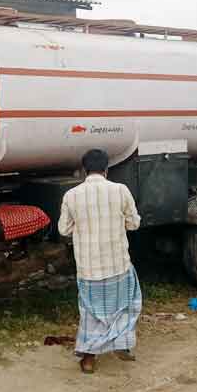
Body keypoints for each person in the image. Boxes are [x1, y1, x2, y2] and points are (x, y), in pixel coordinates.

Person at [58, 148, 142, 374]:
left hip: (89, 268)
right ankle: (122, 346)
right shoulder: (120, 190)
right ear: (106, 169)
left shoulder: (71, 195)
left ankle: (88, 358)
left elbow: (63, 229)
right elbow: (134, 223)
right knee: (125, 306)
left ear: (85, 169)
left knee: (90, 312)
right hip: (118, 264)